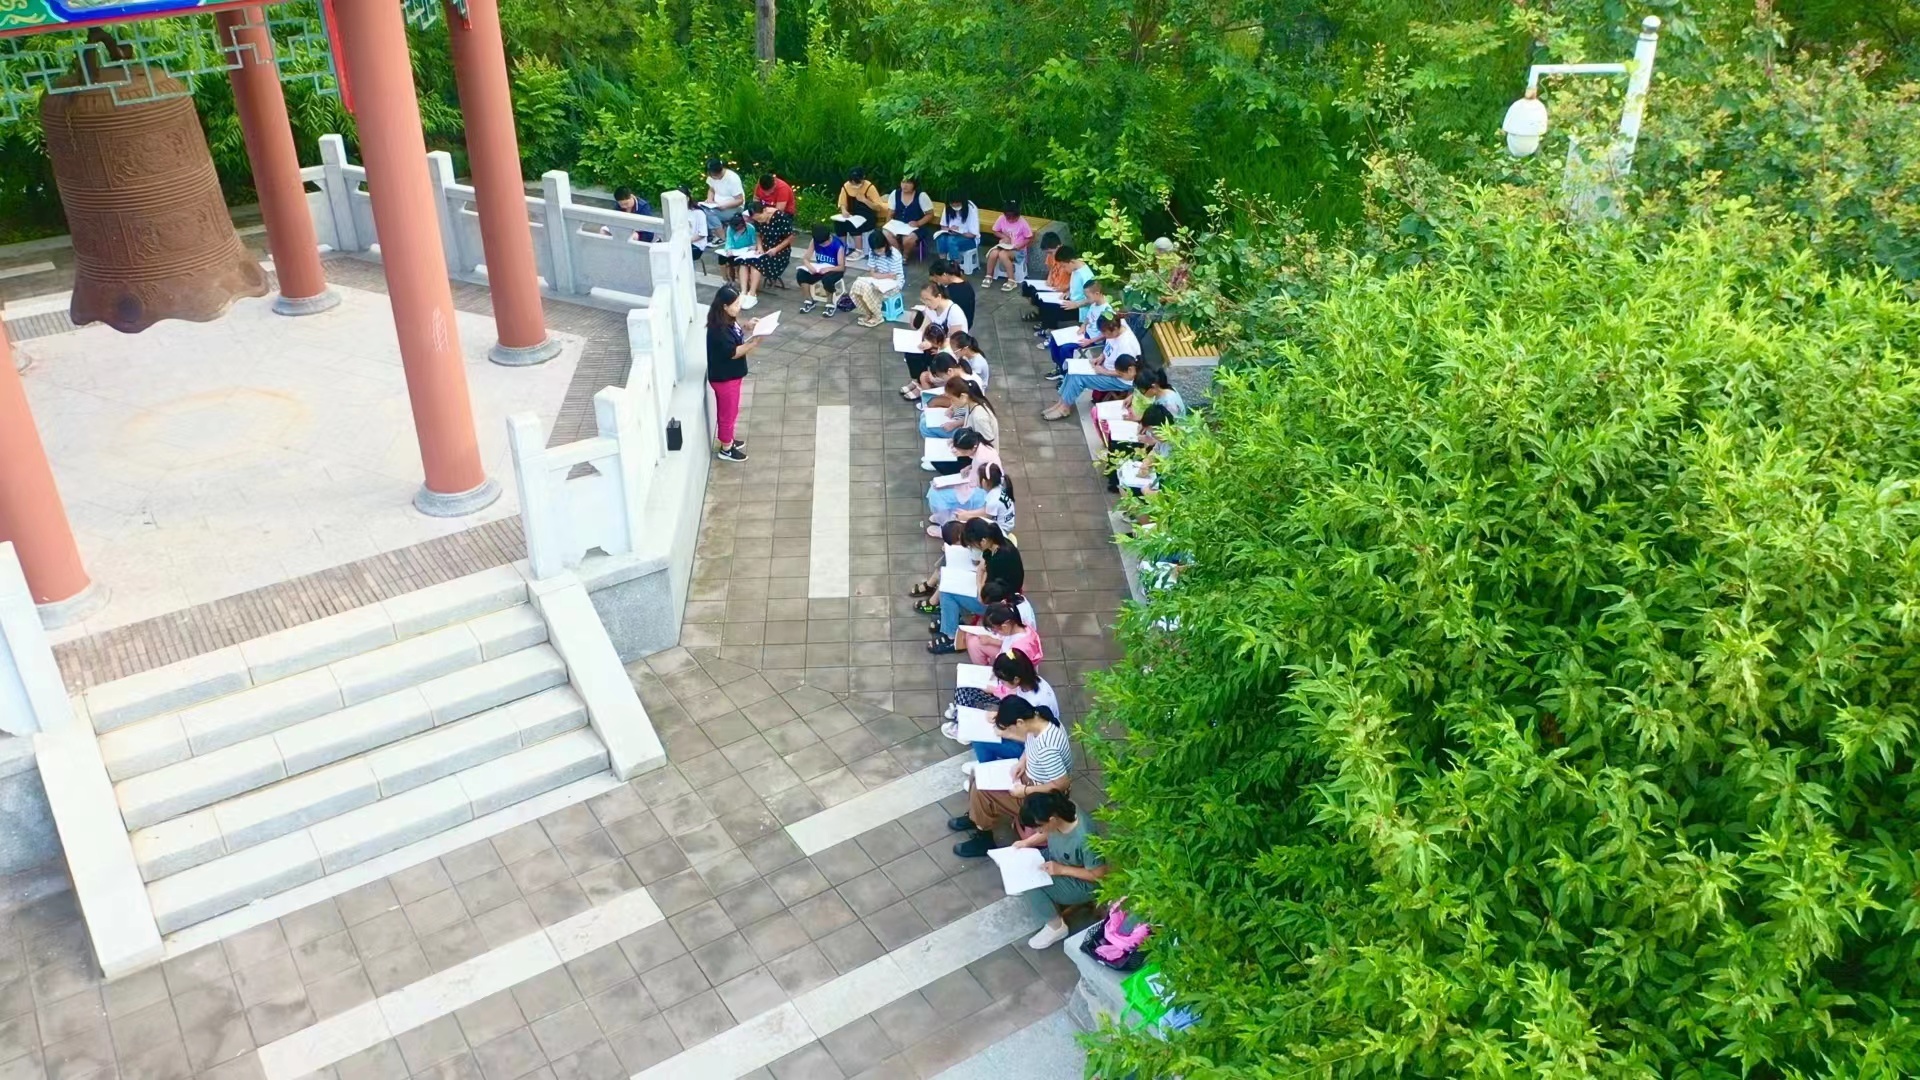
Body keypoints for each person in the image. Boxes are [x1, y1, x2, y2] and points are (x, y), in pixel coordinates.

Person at [948, 701, 1070, 856]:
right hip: (1030, 778)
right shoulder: (1041, 720)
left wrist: (1025, 791)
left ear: (1019, 722)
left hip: (1041, 797)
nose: (1012, 734)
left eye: (1010, 728)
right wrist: (1022, 761)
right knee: (978, 774)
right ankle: (976, 817)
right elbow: (1031, 744)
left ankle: (983, 838)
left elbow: (1061, 784)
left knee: (981, 792)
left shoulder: (1048, 748)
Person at [1012, 791, 1107, 948]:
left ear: (1052, 820)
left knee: (1030, 882)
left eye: (1039, 827)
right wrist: (1027, 843)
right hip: (1058, 858)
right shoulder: (1061, 811)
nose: (1038, 832)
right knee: (1022, 863)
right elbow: (1047, 831)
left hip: (1082, 882)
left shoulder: (1085, 838)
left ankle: (1056, 927)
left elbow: (1099, 874)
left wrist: (1061, 870)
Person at [931, 519, 1022, 654]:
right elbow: (981, 568)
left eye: (972, 545)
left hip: (999, 605)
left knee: (947, 593)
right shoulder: (996, 545)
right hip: (992, 592)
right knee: (950, 589)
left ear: (983, 541)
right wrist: (980, 586)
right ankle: (949, 621)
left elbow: (985, 594)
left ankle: (952, 637)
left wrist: (980, 588)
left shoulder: (999, 559)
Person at [1044, 318, 1141, 420]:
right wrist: (1101, 356)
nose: (1104, 336)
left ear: (1115, 329)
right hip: (1104, 367)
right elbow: (1109, 346)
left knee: (1078, 378)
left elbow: (1128, 374)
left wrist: (1105, 372)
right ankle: (1061, 402)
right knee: (1072, 370)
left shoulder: (1127, 345)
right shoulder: (1118, 325)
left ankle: (1064, 408)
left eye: (1106, 333)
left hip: (1119, 379)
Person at [705, 285, 757, 462]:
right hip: (725, 378)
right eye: (736, 304)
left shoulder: (727, 319)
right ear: (725, 306)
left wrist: (747, 327)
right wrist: (753, 343)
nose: (739, 307)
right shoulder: (718, 329)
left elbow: (735, 334)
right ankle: (726, 448)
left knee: (731, 411)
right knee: (728, 413)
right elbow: (733, 352)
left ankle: (728, 440)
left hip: (731, 375)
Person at [898, 282, 970, 396]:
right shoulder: (931, 308)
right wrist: (915, 339)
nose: (926, 303)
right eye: (923, 300)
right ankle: (916, 380)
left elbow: (955, 340)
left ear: (939, 297)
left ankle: (923, 384)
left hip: (950, 350)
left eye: (928, 300)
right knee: (911, 352)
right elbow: (923, 328)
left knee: (930, 356)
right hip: (936, 344)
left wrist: (934, 346)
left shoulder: (954, 313)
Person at [1045, 278, 1110, 372]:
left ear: (1097, 293)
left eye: (1088, 297)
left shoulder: (1106, 310)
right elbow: (1088, 318)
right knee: (1055, 339)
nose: (1087, 299)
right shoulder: (1094, 304)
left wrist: (1090, 341)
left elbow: (1107, 334)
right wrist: (1083, 325)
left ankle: (1066, 372)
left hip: (1092, 340)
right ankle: (1059, 366)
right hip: (1084, 333)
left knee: (1065, 349)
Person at [740, 200, 794, 308]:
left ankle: (752, 295)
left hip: (779, 252)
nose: (759, 221)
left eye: (760, 218)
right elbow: (758, 235)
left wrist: (776, 249)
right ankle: (743, 292)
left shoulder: (780, 217)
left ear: (765, 210)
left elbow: (790, 238)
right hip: (764, 249)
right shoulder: (757, 218)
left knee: (756, 265)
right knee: (743, 262)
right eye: (757, 220)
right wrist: (759, 247)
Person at [960, 600, 1042, 667]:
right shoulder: (1022, 628)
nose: (994, 633)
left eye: (995, 630)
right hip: (1011, 662)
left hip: (1011, 670)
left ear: (1005, 626)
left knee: (972, 642)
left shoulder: (1018, 649)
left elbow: (1012, 671)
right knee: (971, 637)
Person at [850, 230, 904, 328]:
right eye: (876, 250)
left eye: (880, 249)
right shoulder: (872, 252)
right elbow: (872, 273)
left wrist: (878, 275)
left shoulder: (895, 254)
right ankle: (868, 313)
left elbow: (893, 276)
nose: (878, 252)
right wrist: (882, 275)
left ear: (885, 244)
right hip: (879, 280)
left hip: (895, 283)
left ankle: (878, 316)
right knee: (858, 285)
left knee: (869, 289)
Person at [835, 167, 887, 258]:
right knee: (838, 223)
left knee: (853, 224)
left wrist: (864, 200)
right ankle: (843, 247)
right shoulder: (846, 186)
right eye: (852, 183)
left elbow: (878, 207)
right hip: (851, 214)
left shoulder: (869, 187)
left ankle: (858, 250)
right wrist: (844, 210)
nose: (854, 185)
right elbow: (842, 203)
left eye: (856, 182)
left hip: (867, 216)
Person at [1035, 246, 1091, 330]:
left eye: (1064, 266)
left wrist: (1076, 305)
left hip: (1080, 308)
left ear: (1071, 262)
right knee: (1044, 303)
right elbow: (1077, 286)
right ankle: (1047, 327)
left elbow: (1092, 299)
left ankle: (1049, 330)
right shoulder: (1075, 267)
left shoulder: (1086, 275)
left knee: (1050, 309)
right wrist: (1068, 292)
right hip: (1072, 301)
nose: (1064, 270)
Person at [796, 225, 847, 316]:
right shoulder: (814, 241)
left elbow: (841, 267)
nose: (822, 246)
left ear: (829, 238)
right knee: (801, 274)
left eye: (824, 244)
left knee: (827, 280)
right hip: (820, 268)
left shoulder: (838, 245)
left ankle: (830, 303)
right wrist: (810, 267)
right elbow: (805, 258)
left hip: (835, 269)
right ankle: (809, 300)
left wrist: (829, 269)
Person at [981, 201, 1033, 290]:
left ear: (1018, 215)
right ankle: (988, 276)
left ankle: (1011, 280)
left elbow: (1029, 238)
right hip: (1005, 246)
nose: (1011, 220)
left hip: (1018, 250)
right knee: (993, 253)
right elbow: (995, 231)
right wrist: (1004, 237)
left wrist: (1020, 245)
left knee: (1002, 254)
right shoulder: (1001, 219)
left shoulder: (1022, 223)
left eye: (1014, 218)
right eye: (1009, 218)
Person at [887, 176, 938, 261]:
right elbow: (890, 212)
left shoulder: (921, 196)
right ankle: (898, 254)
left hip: (915, 227)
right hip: (898, 224)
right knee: (886, 232)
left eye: (908, 183)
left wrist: (918, 223)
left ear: (914, 184)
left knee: (908, 239)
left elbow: (930, 214)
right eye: (903, 182)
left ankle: (905, 255)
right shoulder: (895, 193)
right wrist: (888, 225)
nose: (904, 185)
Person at [703, 158, 746, 237]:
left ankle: (721, 236)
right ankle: (713, 234)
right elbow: (711, 189)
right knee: (700, 210)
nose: (712, 178)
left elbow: (740, 200)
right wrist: (709, 199)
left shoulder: (732, 178)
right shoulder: (711, 176)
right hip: (716, 205)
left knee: (709, 213)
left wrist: (724, 206)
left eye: (714, 176)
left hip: (733, 207)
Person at [928, 260, 977, 327]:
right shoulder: (967, 285)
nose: (938, 283)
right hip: (966, 323)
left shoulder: (950, 292)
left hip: (956, 326)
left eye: (937, 278)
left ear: (944, 275)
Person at [717, 214, 758, 292]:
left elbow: (754, 242)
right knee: (721, 257)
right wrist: (728, 249)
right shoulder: (730, 228)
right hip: (734, 250)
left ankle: (739, 280)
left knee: (737, 262)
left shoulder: (750, 228)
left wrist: (753, 247)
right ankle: (725, 279)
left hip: (745, 250)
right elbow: (729, 241)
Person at [933, 193, 979, 262]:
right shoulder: (948, 207)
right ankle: (943, 261)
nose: (955, 206)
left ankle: (955, 263)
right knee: (940, 238)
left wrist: (959, 231)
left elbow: (973, 235)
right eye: (952, 204)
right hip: (951, 235)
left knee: (951, 241)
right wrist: (949, 230)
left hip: (969, 239)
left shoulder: (971, 209)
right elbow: (943, 226)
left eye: (957, 204)